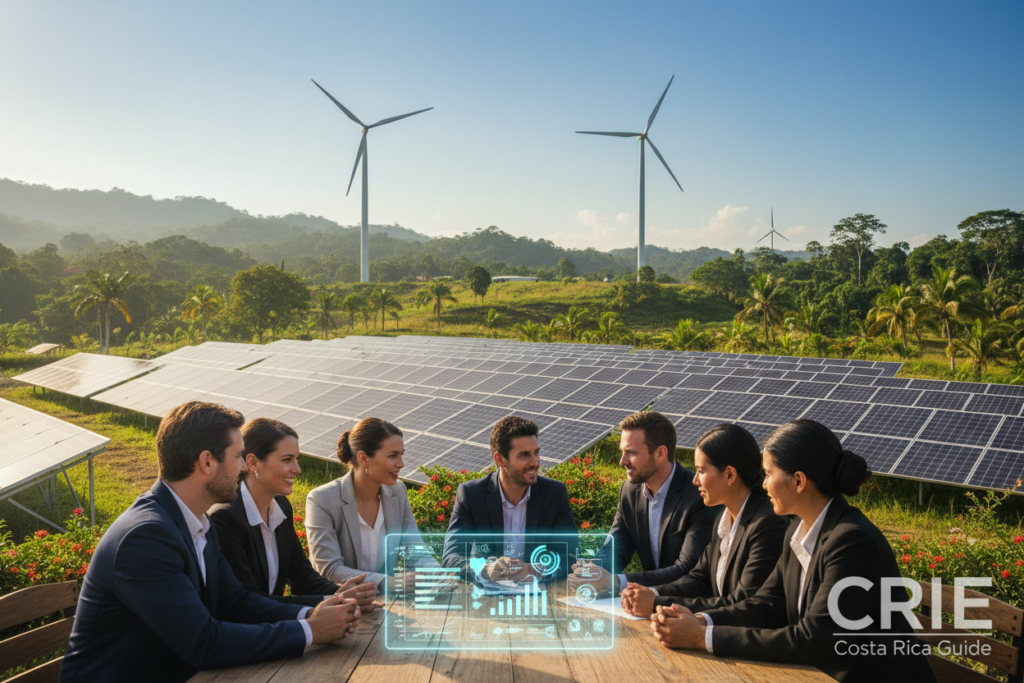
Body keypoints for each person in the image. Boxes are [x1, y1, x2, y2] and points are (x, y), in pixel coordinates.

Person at [59, 402, 360, 683]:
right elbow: (202, 642)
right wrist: (309, 631)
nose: (244, 467)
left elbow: (234, 601)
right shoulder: (145, 536)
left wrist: (313, 612)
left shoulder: (197, 522)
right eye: (238, 456)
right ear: (206, 462)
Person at [649, 419, 936, 683]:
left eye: (769, 473)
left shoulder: (853, 542)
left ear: (798, 481)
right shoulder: (796, 532)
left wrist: (703, 637)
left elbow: (813, 640)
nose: (762, 484)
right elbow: (765, 604)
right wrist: (700, 620)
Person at [209, 418, 378, 610]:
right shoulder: (225, 518)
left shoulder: (281, 506)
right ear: (253, 462)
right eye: (287, 459)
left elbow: (302, 577)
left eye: (296, 459)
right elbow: (248, 601)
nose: (297, 469)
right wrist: (329, 601)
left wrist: (340, 593)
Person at [620, 423, 787, 618]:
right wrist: (652, 592)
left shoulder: (766, 525)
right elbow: (699, 578)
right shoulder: (724, 518)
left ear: (730, 475)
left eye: (701, 471)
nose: (695, 480)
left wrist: (656, 603)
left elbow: (742, 602)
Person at [569, 411, 719, 597]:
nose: (622, 461)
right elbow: (617, 547)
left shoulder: (699, 495)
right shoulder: (629, 491)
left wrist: (617, 583)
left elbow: (687, 569)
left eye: (631, 453)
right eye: (622, 452)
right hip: (644, 605)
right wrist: (591, 572)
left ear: (660, 453)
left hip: (688, 607)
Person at [442, 416, 577, 583]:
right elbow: (451, 557)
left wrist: (536, 570)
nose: (535, 462)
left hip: (540, 598)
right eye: (524, 455)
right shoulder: (471, 494)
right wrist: (485, 569)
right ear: (500, 460)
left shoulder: (554, 494)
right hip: (486, 598)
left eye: (536, 452)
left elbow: (571, 556)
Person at [305, 417, 430, 597]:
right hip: (338, 604)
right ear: (363, 458)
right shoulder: (322, 499)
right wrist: (390, 582)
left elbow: (416, 551)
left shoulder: (398, 492)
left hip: (384, 605)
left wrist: (436, 574)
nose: (401, 464)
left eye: (402, 454)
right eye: (392, 455)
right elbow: (329, 568)